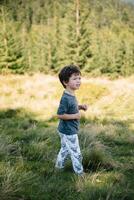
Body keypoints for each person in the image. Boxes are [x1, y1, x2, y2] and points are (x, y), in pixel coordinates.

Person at [55, 64, 88, 175]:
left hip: (64, 129)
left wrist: (80, 107)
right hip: (69, 131)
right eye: (74, 78)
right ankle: (80, 173)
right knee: (76, 153)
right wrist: (75, 116)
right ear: (65, 82)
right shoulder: (65, 98)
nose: (78, 81)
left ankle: (58, 167)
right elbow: (60, 114)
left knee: (65, 150)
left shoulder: (71, 94)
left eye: (79, 78)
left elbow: (71, 107)